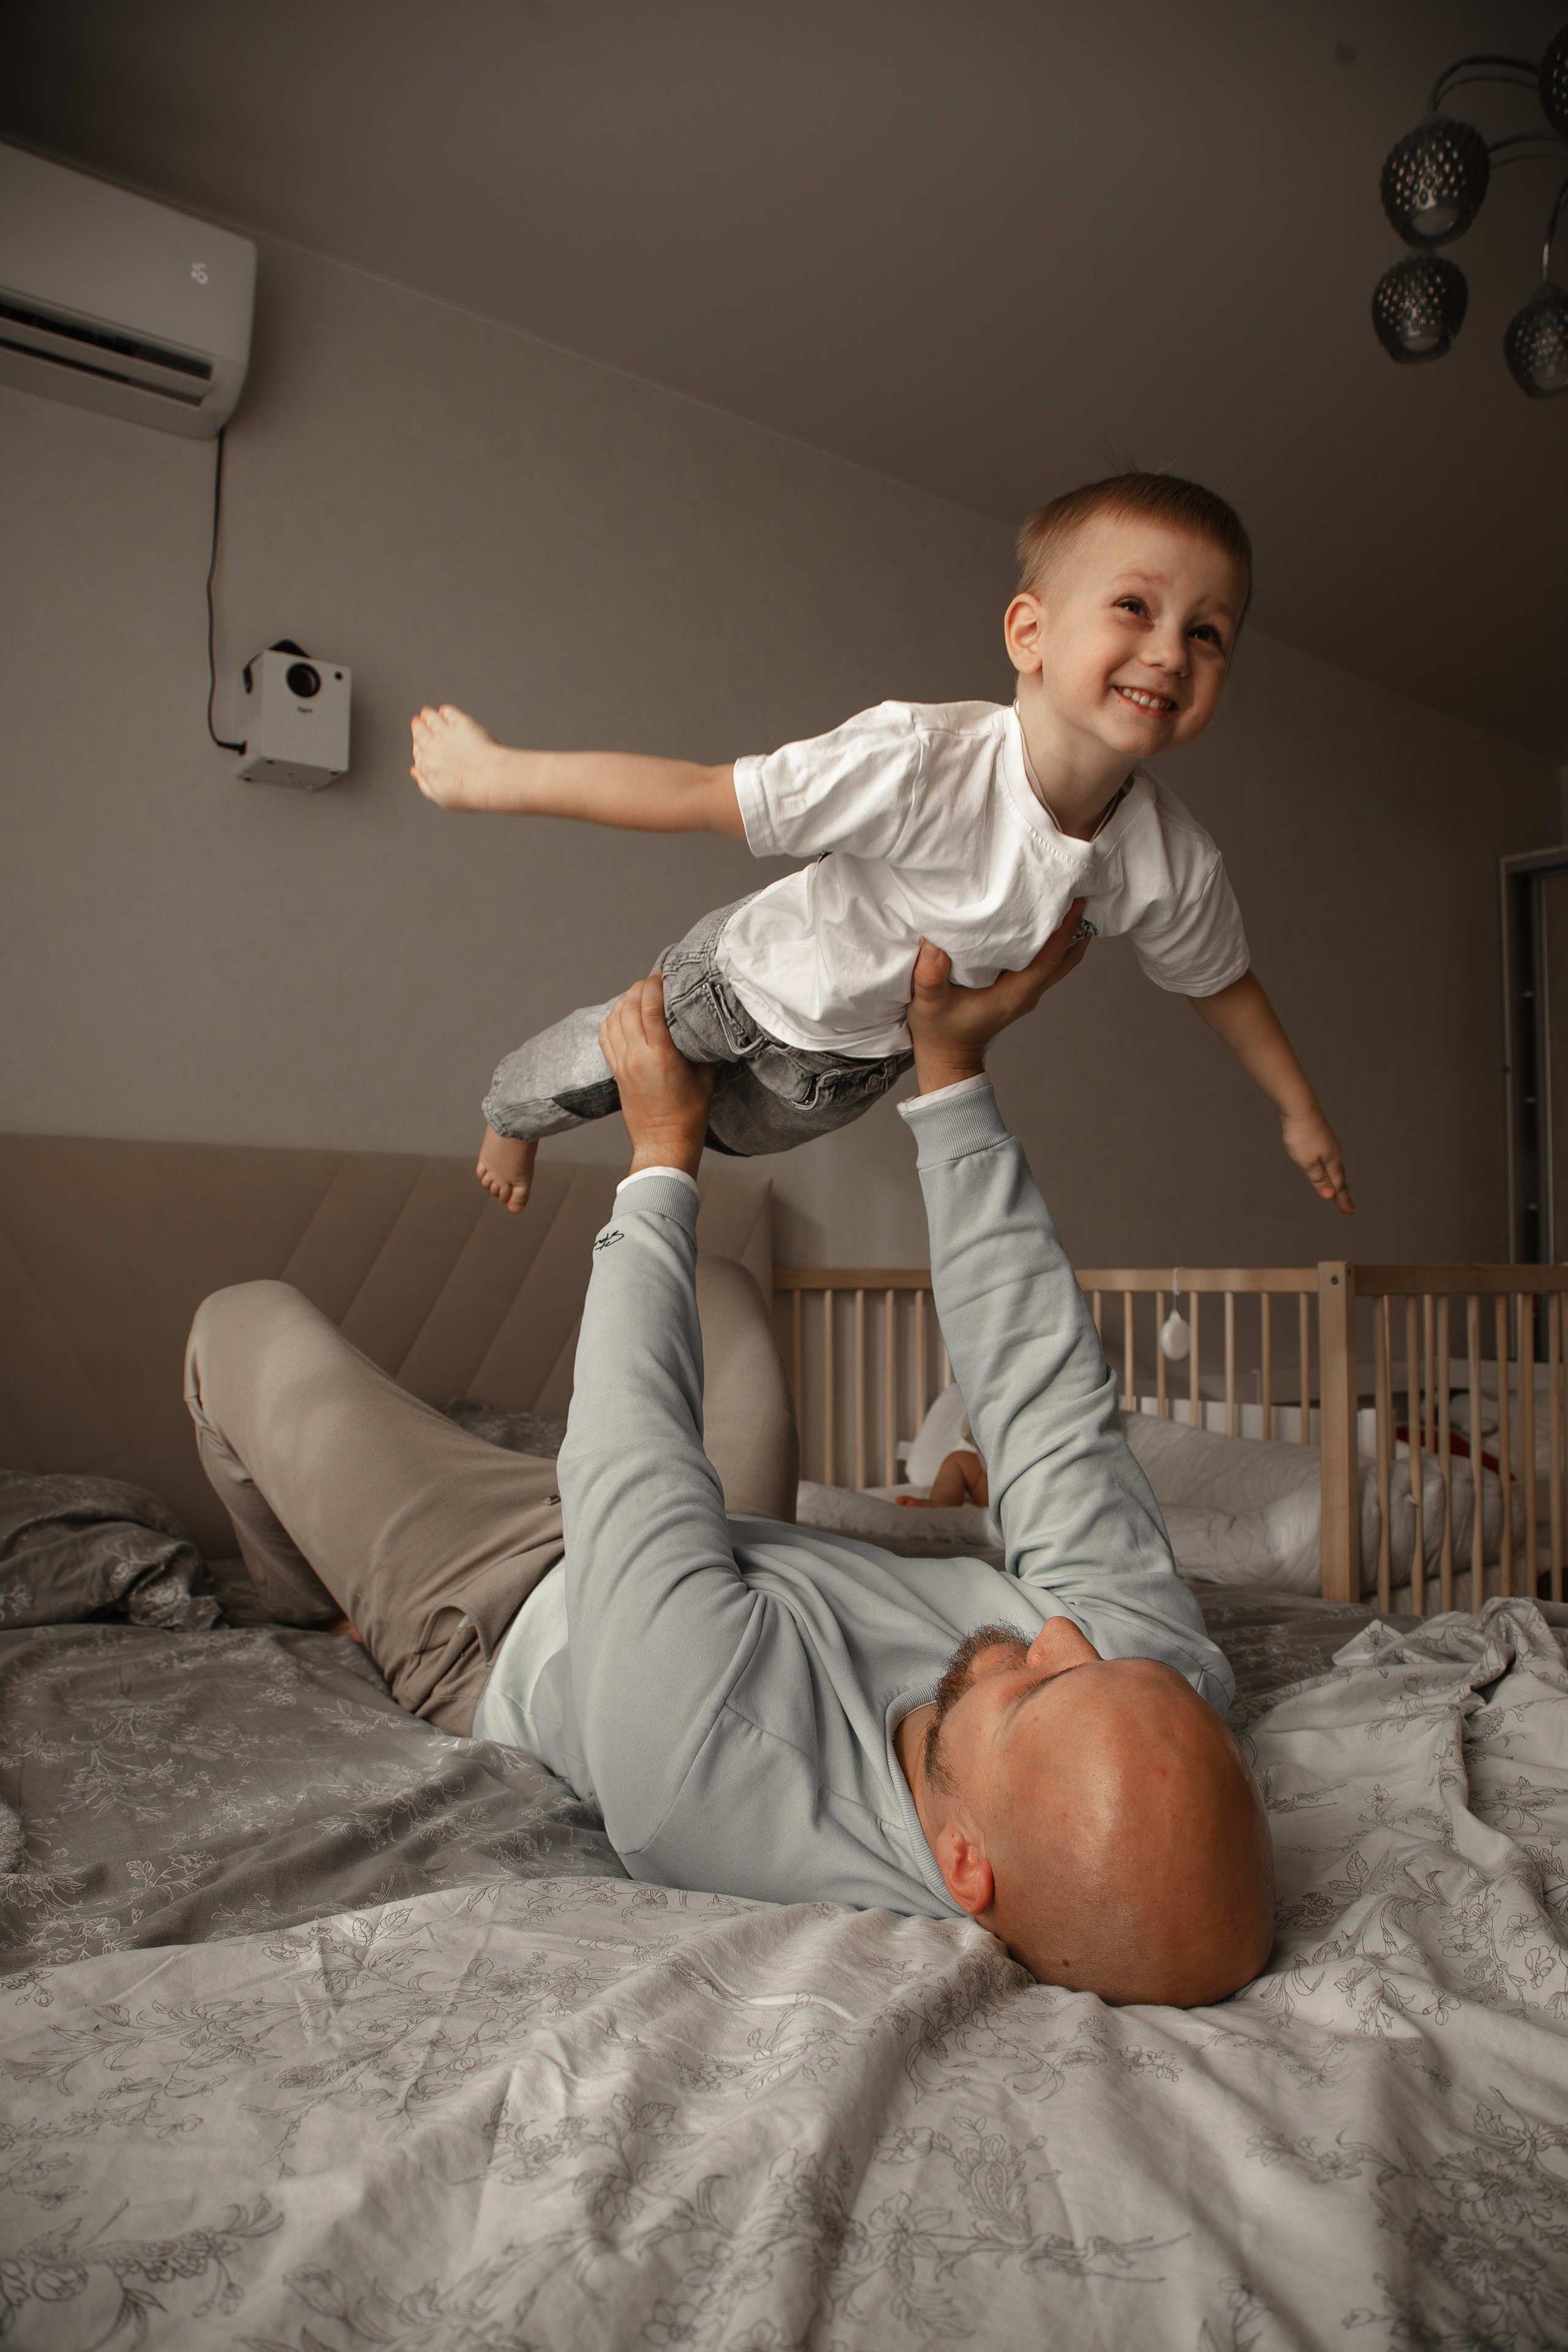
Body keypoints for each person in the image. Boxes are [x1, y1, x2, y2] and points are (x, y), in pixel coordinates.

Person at [185, 911, 1275, 2005]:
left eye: (1037, 1693)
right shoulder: (1148, 1678)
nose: (1063, 1636)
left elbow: (628, 1457)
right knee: (720, 1285)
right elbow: (1046, 1401)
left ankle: (311, 1598)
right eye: (1107, 1662)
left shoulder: (711, 1770)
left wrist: (663, 1152)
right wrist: (951, 1073)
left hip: (506, 1601)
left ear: (964, 1866)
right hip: (729, 1565)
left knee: (238, 1323)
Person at [409, 470, 1352, 1224]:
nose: (1172, 652)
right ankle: (510, 1113)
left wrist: (1300, 1109)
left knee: (712, 1137)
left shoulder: (1171, 862)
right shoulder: (923, 761)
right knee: (600, 1066)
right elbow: (700, 793)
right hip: (744, 984)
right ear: (1030, 633)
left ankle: (654, 1132)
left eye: (1207, 632)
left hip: (853, 1070)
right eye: (1136, 607)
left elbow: (1220, 982)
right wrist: (497, 777)